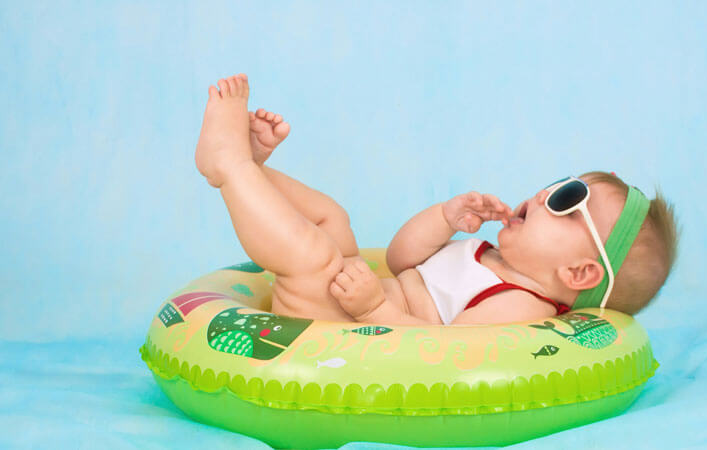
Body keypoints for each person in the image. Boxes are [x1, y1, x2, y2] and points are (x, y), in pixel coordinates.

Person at [195, 73, 679, 326]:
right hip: (358, 296)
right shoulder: (485, 255)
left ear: (578, 273)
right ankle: (255, 168)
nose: (545, 192)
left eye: (566, 201)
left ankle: (229, 167)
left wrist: (371, 311)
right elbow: (402, 258)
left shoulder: (519, 307)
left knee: (315, 255)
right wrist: (445, 218)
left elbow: (441, 352)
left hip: (343, 323)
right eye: (560, 182)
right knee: (333, 218)